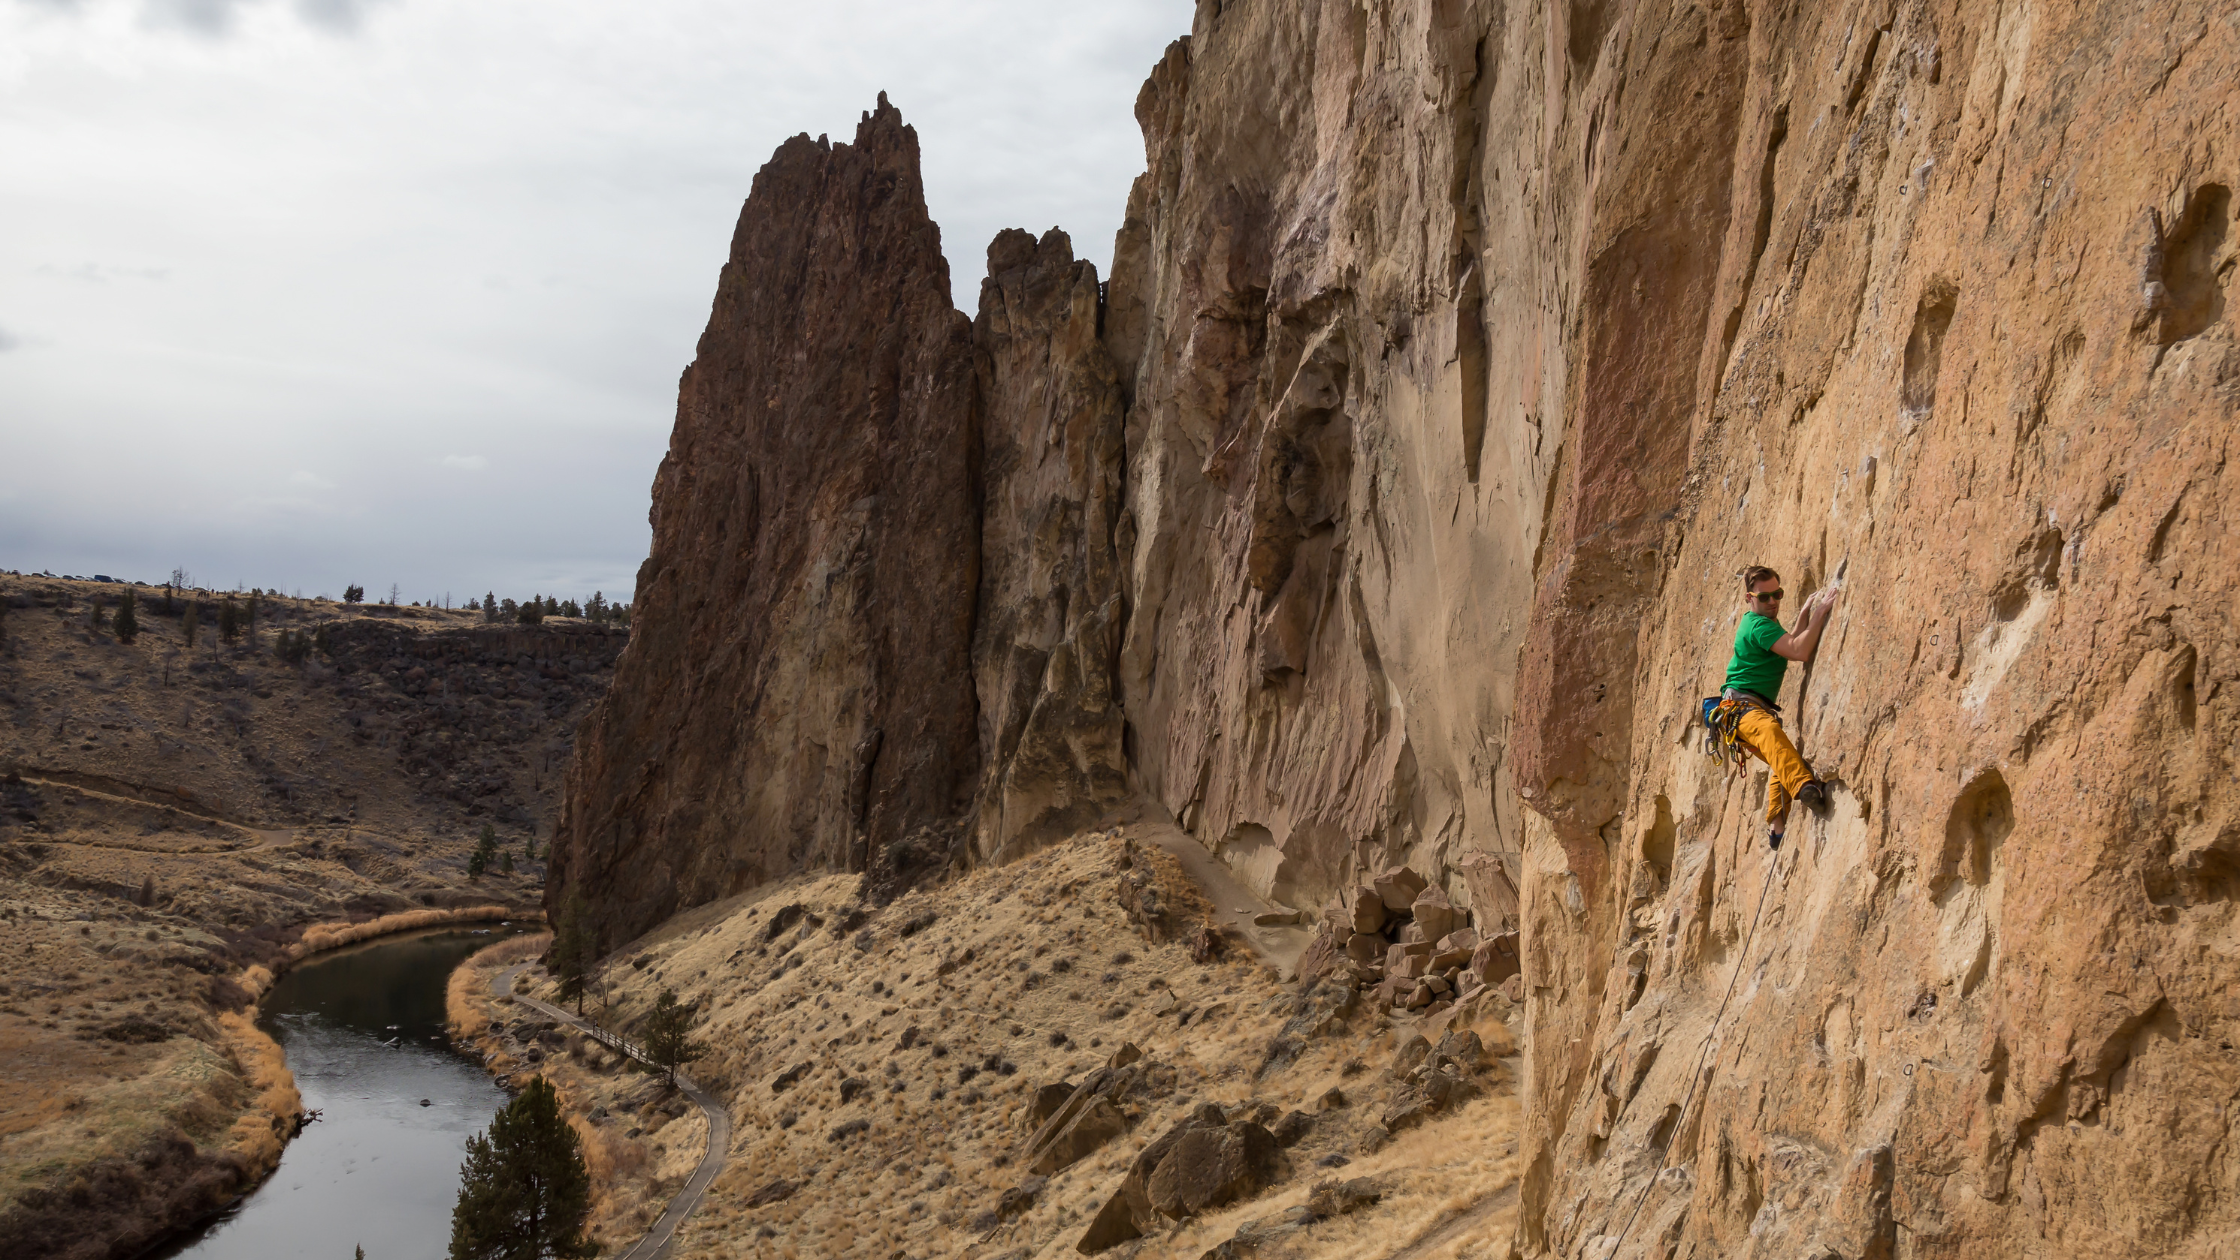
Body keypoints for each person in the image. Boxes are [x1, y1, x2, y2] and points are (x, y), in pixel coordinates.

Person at [1707, 565, 1837, 847]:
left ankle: (1777, 828)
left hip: (1742, 710)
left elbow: (1788, 644)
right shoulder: (1758, 625)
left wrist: (1803, 616)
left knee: (1781, 755)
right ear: (1748, 598)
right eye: (1764, 597)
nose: (1773, 601)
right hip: (1741, 709)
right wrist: (1819, 615)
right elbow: (1799, 651)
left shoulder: (1764, 623)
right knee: (1770, 734)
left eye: (1777, 594)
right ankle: (1805, 787)